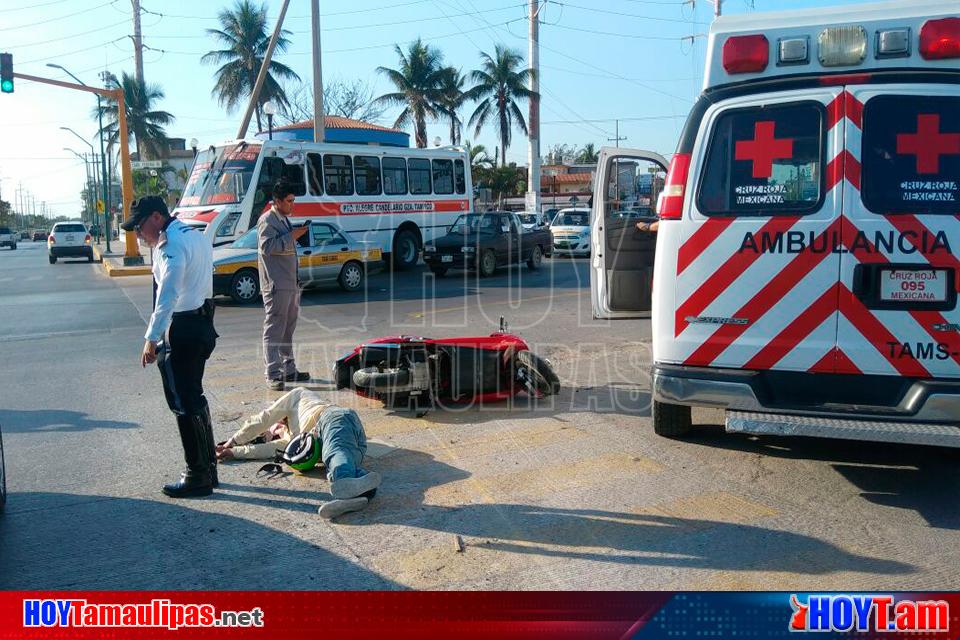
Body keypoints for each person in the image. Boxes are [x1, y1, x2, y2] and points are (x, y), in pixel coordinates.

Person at [124, 195, 218, 499]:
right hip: (203, 323)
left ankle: (197, 475)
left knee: (182, 402)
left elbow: (167, 297)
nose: (138, 236)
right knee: (195, 396)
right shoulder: (195, 236)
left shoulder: (170, 247)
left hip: (182, 330)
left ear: (155, 218)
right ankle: (208, 468)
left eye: (139, 228)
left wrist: (150, 340)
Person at [216, 387, 381, 519]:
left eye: (272, 428)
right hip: (354, 448)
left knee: (335, 451)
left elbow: (264, 418)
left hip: (332, 419)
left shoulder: (298, 395)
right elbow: (266, 450)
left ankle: (344, 487)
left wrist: (233, 440)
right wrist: (232, 452)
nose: (272, 431)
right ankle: (361, 493)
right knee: (334, 461)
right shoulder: (293, 440)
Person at [258, 180, 310, 391]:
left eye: (293, 201)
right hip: (276, 285)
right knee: (274, 328)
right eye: (289, 201)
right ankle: (273, 373)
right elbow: (267, 247)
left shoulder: (284, 219)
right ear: (277, 201)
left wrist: (294, 233)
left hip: (289, 283)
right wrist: (293, 236)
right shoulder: (267, 220)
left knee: (287, 329)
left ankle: (289, 369)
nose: (292, 205)